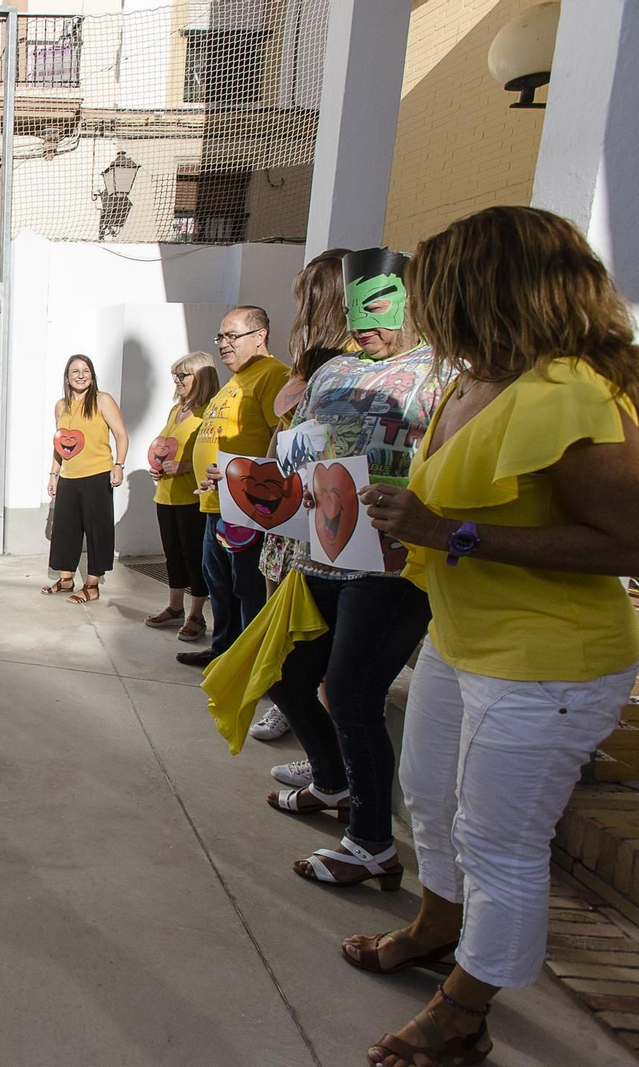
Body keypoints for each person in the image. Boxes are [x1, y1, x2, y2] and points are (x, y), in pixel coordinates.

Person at [341, 207, 639, 1067]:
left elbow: (627, 540)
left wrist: (455, 535)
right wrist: (404, 530)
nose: (421, 311)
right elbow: (457, 513)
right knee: (429, 798)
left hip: (551, 660)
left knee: (499, 843)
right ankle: (438, 926)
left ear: (487, 291)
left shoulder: (572, 392)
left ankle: (465, 1009)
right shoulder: (474, 380)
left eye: (435, 292)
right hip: (462, 636)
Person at [259, 248, 445, 894]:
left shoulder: (442, 373)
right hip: (322, 554)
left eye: (380, 307)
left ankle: (371, 842)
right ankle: (331, 780)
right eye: (356, 307)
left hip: (393, 568)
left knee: (353, 694)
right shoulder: (332, 370)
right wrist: (273, 480)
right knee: (286, 673)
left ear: (409, 303)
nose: (365, 323)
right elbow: (302, 447)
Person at [250, 247, 351, 747]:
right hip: (290, 508)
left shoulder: (351, 366)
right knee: (281, 622)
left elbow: (330, 440)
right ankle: (289, 706)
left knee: (314, 635)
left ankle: (324, 749)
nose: (300, 310)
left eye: (307, 297)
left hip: (323, 514)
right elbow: (287, 430)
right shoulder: (306, 365)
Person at [181, 307, 290, 669]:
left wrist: (238, 475)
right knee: (220, 587)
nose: (224, 344)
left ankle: (250, 663)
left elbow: (283, 438)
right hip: (217, 504)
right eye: (221, 337)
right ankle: (222, 652)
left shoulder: (273, 375)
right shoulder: (234, 380)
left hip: (249, 508)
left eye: (232, 336)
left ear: (260, 336)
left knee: (248, 589)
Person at [43, 354, 129, 604]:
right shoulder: (61, 406)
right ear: (67, 377)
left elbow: (121, 434)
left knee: (96, 531)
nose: (80, 375)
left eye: (86, 371)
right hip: (69, 477)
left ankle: (92, 585)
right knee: (65, 531)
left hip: (97, 475)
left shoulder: (102, 400)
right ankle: (66, 579)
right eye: (75, 371)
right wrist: (53, 474)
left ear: (92, 376)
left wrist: (119, 465)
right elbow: (60, 444)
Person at [145, 352, 217, 640]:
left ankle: (196, 615)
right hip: (166, 494)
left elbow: (210, 455)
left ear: (201, 378)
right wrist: (160, 469)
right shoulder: (177, 411)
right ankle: (175, 608)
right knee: (172, 554)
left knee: (194, 557)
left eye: (183, 375)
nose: (176, 380)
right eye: (175, 375)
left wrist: (184, 467)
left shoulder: (208, 412)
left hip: (191, 496)